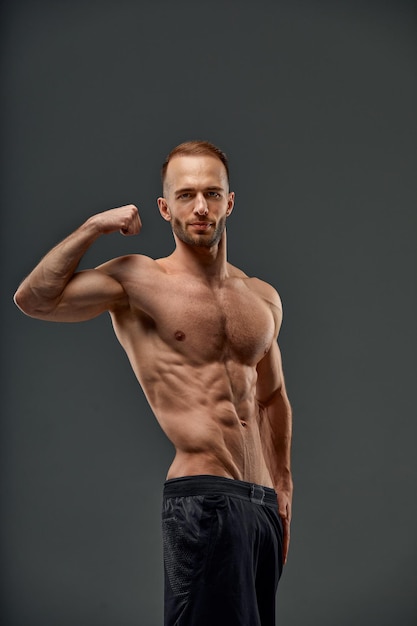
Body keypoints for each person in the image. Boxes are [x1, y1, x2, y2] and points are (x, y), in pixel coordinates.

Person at [14, 140, 293, 626]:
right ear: (165, 208)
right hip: (203, 497)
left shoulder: (262, 298)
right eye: (185, 195)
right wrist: (95, 226)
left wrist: (283, 487)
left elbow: (272, 397)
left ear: (230, 201)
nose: (200, 207)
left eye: (211, 193)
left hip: (262, 506)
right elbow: (33, 300)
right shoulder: (138, 282)